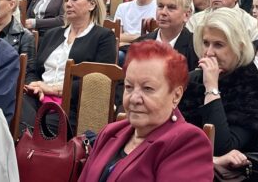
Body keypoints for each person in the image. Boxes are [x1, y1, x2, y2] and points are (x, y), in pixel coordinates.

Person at [80, 40, 213, 182]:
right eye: (129, 87)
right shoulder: (109, 132)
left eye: (147, 89)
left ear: (176, 95)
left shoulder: (188, 143)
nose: (134, 98)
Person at [21, 0, 116, 133]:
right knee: (13, 109)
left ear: (92, 4)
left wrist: (54, 90)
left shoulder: (103, 36)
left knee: (39, 125)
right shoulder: (53, 34)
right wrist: (35, 86)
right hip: (38, 97)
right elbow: (33, 70)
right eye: (66, 0)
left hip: (72, 103)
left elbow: (99, 81)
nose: (68, 4)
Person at [178, 7, 258, 163]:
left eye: (218, 45)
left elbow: (223, 147)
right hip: (185, 164)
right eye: (206, 43)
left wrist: (211, 89)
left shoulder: (252, 83)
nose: (209, 52)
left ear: (238, 46)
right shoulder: (192, 80)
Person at [135, 0, 198, 72]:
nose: (163, 12)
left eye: (171, 7)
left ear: (186, 14)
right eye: (160, 6)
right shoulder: (141, 43)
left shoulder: (196, 47)